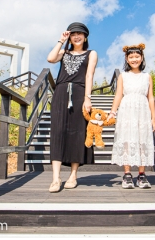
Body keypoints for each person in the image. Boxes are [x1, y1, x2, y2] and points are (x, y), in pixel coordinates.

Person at [45, 22, 97, 192]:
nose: (76, 36)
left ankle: (73, 175)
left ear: (85, 36)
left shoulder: (91, 53)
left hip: (79, 93)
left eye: (80, 34)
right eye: (73, 33)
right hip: (60, 93)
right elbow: (50, 59)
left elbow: (89, 75)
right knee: (58, 132)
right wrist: (61, 41)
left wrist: (87, 98)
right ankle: (55, 178)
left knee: (77, 133)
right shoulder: (64, 52)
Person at [109, 43, 155, 189]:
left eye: (137, 56)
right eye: (131, 57)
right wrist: (112, 112)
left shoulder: (147, 77)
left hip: (142, 111)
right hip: (126, 110)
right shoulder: (123, 76)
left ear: (142, 58)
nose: (134, 59)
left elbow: (151, 97)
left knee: (143, 140)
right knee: (127, 140)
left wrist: (153, 118)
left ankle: (141, 175)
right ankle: (127, 174)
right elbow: (118, 95)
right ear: (127, 59)